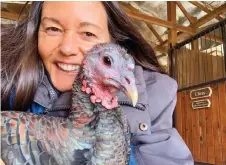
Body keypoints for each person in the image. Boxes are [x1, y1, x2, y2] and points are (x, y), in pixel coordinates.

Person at [1, 2, 194, 165]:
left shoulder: (155, 93)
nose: (67, 49)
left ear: (113, 40)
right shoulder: (8, 82)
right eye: (53, 29)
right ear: (36, 33)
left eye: (87, 33)